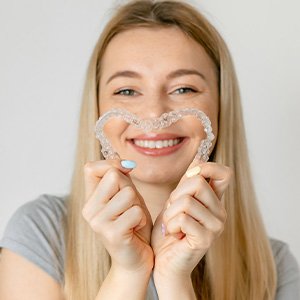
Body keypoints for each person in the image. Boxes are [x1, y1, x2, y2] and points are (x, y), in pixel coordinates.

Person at [0, 0, 299, 299]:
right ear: (97, 106)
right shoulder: (41, 234)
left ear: (221, 106)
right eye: (127, 90)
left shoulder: (274, 269)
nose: (154, 114)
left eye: (184, 89)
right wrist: (128, 272)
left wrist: (175, 279)